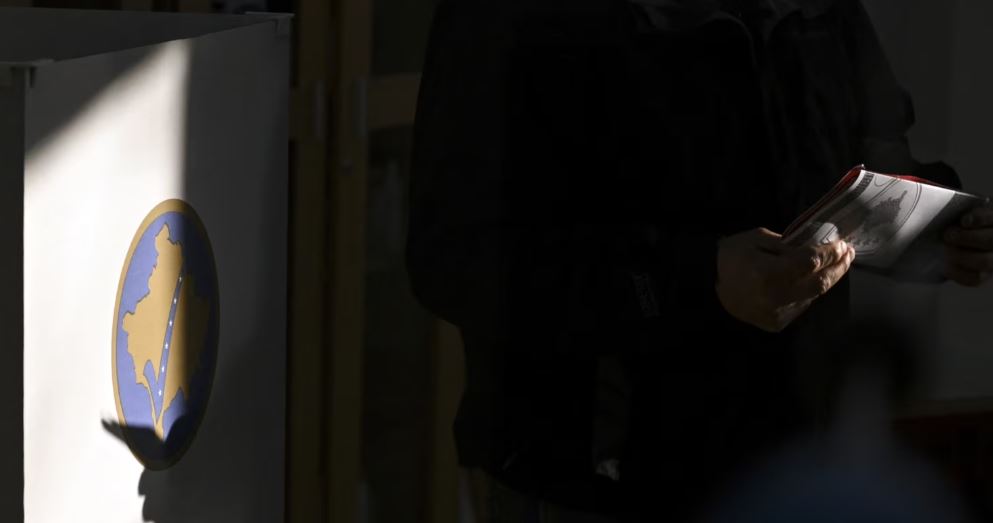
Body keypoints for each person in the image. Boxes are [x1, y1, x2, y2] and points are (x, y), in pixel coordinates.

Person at [406, 0, 993, 521]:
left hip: (790, 462)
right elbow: (455, 255)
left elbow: (867, 153)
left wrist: (940, 230)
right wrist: (694, 279)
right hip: (600, 483)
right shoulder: (510, 15)